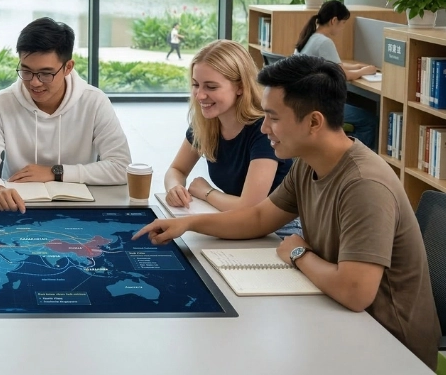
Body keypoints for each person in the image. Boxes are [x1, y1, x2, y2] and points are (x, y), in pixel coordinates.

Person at [134, 55, 440, 370]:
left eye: (273, 118)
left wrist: (296, 252)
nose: (264, 127)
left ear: (314, 122)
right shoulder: (308, 162)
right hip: (339, 318)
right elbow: (257, 218)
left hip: (389, 347)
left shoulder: (364, 185)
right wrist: (188, 223)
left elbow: (355, 292)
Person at [0, 17, 133, 213]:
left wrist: (56, 172)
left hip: (80, 207)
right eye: (26, 71)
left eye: (46, 73)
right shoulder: (2, 103)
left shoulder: (94, 101)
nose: (34, 83)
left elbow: (122, 167)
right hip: (18, 206)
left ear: (68, 67)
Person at [163, 41, 298, 235]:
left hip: (280, 229)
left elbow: (249, 207)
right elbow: (176, 169)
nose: (200, 95)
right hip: (238, 219)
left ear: (240, 87)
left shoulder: (264, 129)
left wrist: (206, 192)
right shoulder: (206, 122)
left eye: (211, 87)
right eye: (195, 85)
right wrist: (174, 187)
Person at [294, 0, 377, 149]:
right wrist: (365, 71)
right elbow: (342, 74)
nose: (343, 28)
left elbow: (332, 66)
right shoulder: (324, 42)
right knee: (369, 121)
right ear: (334, 21)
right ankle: (351, 160)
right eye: (343, 23)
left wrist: (356, 66)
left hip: (303, 100)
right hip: (317, 104)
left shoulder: (309, 37)